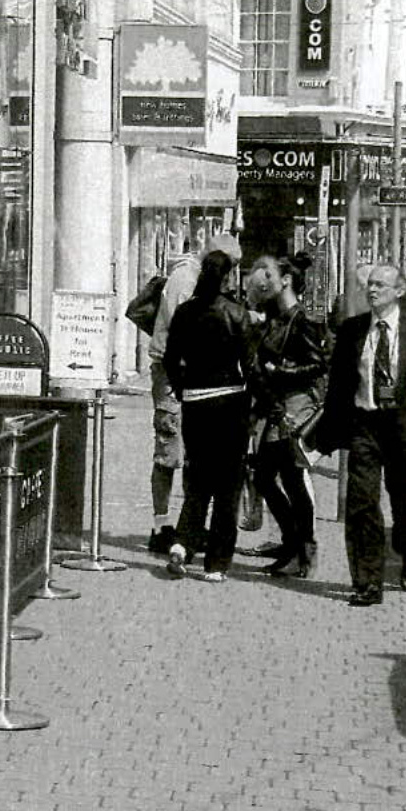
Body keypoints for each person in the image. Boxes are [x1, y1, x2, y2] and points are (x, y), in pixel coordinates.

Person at [311, 263, 406, 606]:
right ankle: (367, 581)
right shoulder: (353, 330)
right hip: (365, 426)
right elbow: (340, 386)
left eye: (381, 286)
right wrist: (326, 436)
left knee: (405, 499)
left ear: (399, 291)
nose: (372, 291)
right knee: (362, 503)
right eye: (370, 285)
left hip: (405, 427)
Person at [146, 232, 243, 554]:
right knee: (169, 452)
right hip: (175, 376)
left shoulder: (200, 284)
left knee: (195, 457)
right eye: (232, 267)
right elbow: (182, 335)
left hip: (195, 381)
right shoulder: (185, 280)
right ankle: (161, 527)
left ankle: (190, 527)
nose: (233, 277)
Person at [162, 249, 254, 582]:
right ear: (228, 277)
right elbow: (251, 366)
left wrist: (182, 388)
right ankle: (216, 562)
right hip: (230, 402)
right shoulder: (237, 313)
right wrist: (255, 404)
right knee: (228, 484)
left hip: (195, 402)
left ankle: (183, 543)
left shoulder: (186, 313)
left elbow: (170, 358)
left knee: (198, 478)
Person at [247, 252, 327, 577]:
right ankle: (294, 543)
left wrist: (280, 371)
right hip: (275, 409)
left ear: (286, 281)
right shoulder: (275, 317)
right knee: (266, 476)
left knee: (287, 478)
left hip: (293, 411)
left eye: (269, 274)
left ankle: (303, 550)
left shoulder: (300, 320)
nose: (262, 280)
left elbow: (319, 363)